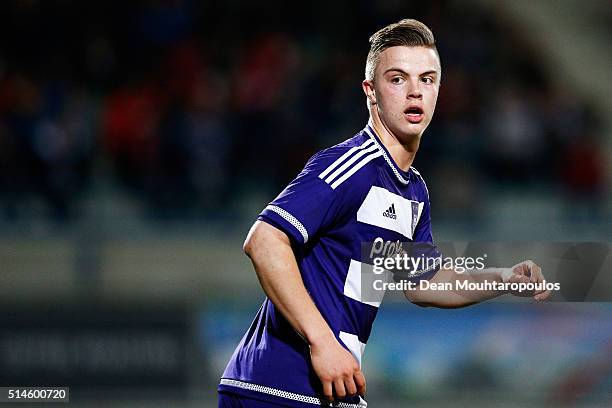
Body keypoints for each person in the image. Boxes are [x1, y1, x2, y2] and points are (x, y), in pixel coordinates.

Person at [218, 19, 551, 408]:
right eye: (397, 79)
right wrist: (322, 342)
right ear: (370, 92)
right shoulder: (352, 166)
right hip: (278, 384)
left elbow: (423, 281)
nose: (415, 91)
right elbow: (264, 239)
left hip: (329, 390)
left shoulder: (413, 191)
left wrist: (503, 278)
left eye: (427, 79)